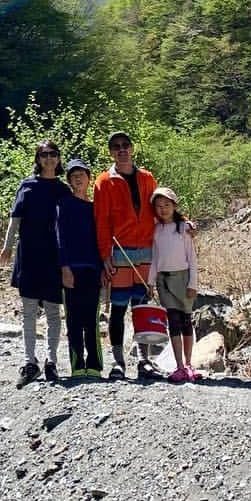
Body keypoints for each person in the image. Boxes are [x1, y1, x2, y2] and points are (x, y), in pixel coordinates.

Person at [0, 140, 68, 388]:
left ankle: (51, 361)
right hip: (28, 255)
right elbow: (14, 218)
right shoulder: (27, 185)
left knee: (52, 310)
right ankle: (30, 363)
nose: (49, 158)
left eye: (53, 154)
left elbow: (69, 226)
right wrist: (7, 246)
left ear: (59, 159)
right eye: (44, 155)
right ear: (38, 159)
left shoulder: (63, 189)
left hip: (53, 257)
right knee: (28, 310)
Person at [93, 130, 159, 380]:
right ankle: (119, 362)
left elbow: (160, 208)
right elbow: (101, 221)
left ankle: (144, 360)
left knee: (141, 307)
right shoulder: (103, 181)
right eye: (115, 146)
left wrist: (182, 222)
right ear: (110, 152)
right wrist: (104, 255)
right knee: (118, 308)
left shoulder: (147, 178)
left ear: (132, 149)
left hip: (145, 250)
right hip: (119, 252)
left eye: (125, 145)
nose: (121, 150)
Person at [56, 157, 103, 378]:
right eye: (73, 175)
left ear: (88, 178)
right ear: (69, 180)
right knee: (73, 319)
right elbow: (59, 239)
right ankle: (77, 364)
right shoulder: (63, 206)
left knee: (91, 319)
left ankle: (94, 364)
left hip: (93, 269)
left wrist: (104, 268)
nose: (77, 178)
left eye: (81, 174)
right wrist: (64, 267)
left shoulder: (96, 208)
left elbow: (102, 240)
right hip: (71, 270)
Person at [149, 185, 200, 383]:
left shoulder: (184, 228)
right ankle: (178, 365)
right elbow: (155, 258)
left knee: (186, 321)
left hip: (183, 278)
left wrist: (192, 283)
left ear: (174, 205)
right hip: (164, 280)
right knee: (173, 321)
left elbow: (192, 258)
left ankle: (189, 364)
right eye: (159, 205)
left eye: (167, 204)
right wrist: (150, 282)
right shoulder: (156, 229)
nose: (163, 209)